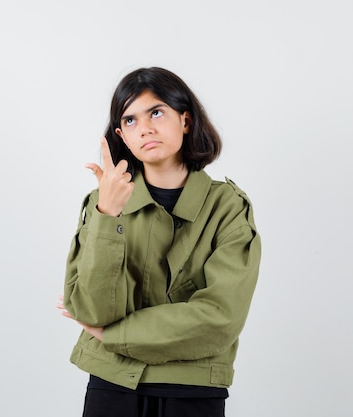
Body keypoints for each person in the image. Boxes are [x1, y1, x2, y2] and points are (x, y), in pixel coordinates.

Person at [57, 66, 261, 417]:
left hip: (192, 388)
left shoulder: (227, 207)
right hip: (111, 383)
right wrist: (107, 215)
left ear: (185, 120)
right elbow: (90, 310)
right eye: (131, 120)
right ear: (121, 134)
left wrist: (113, 336)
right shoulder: (102, 202)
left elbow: (219, 319)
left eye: (156, 112)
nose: (146, 128)